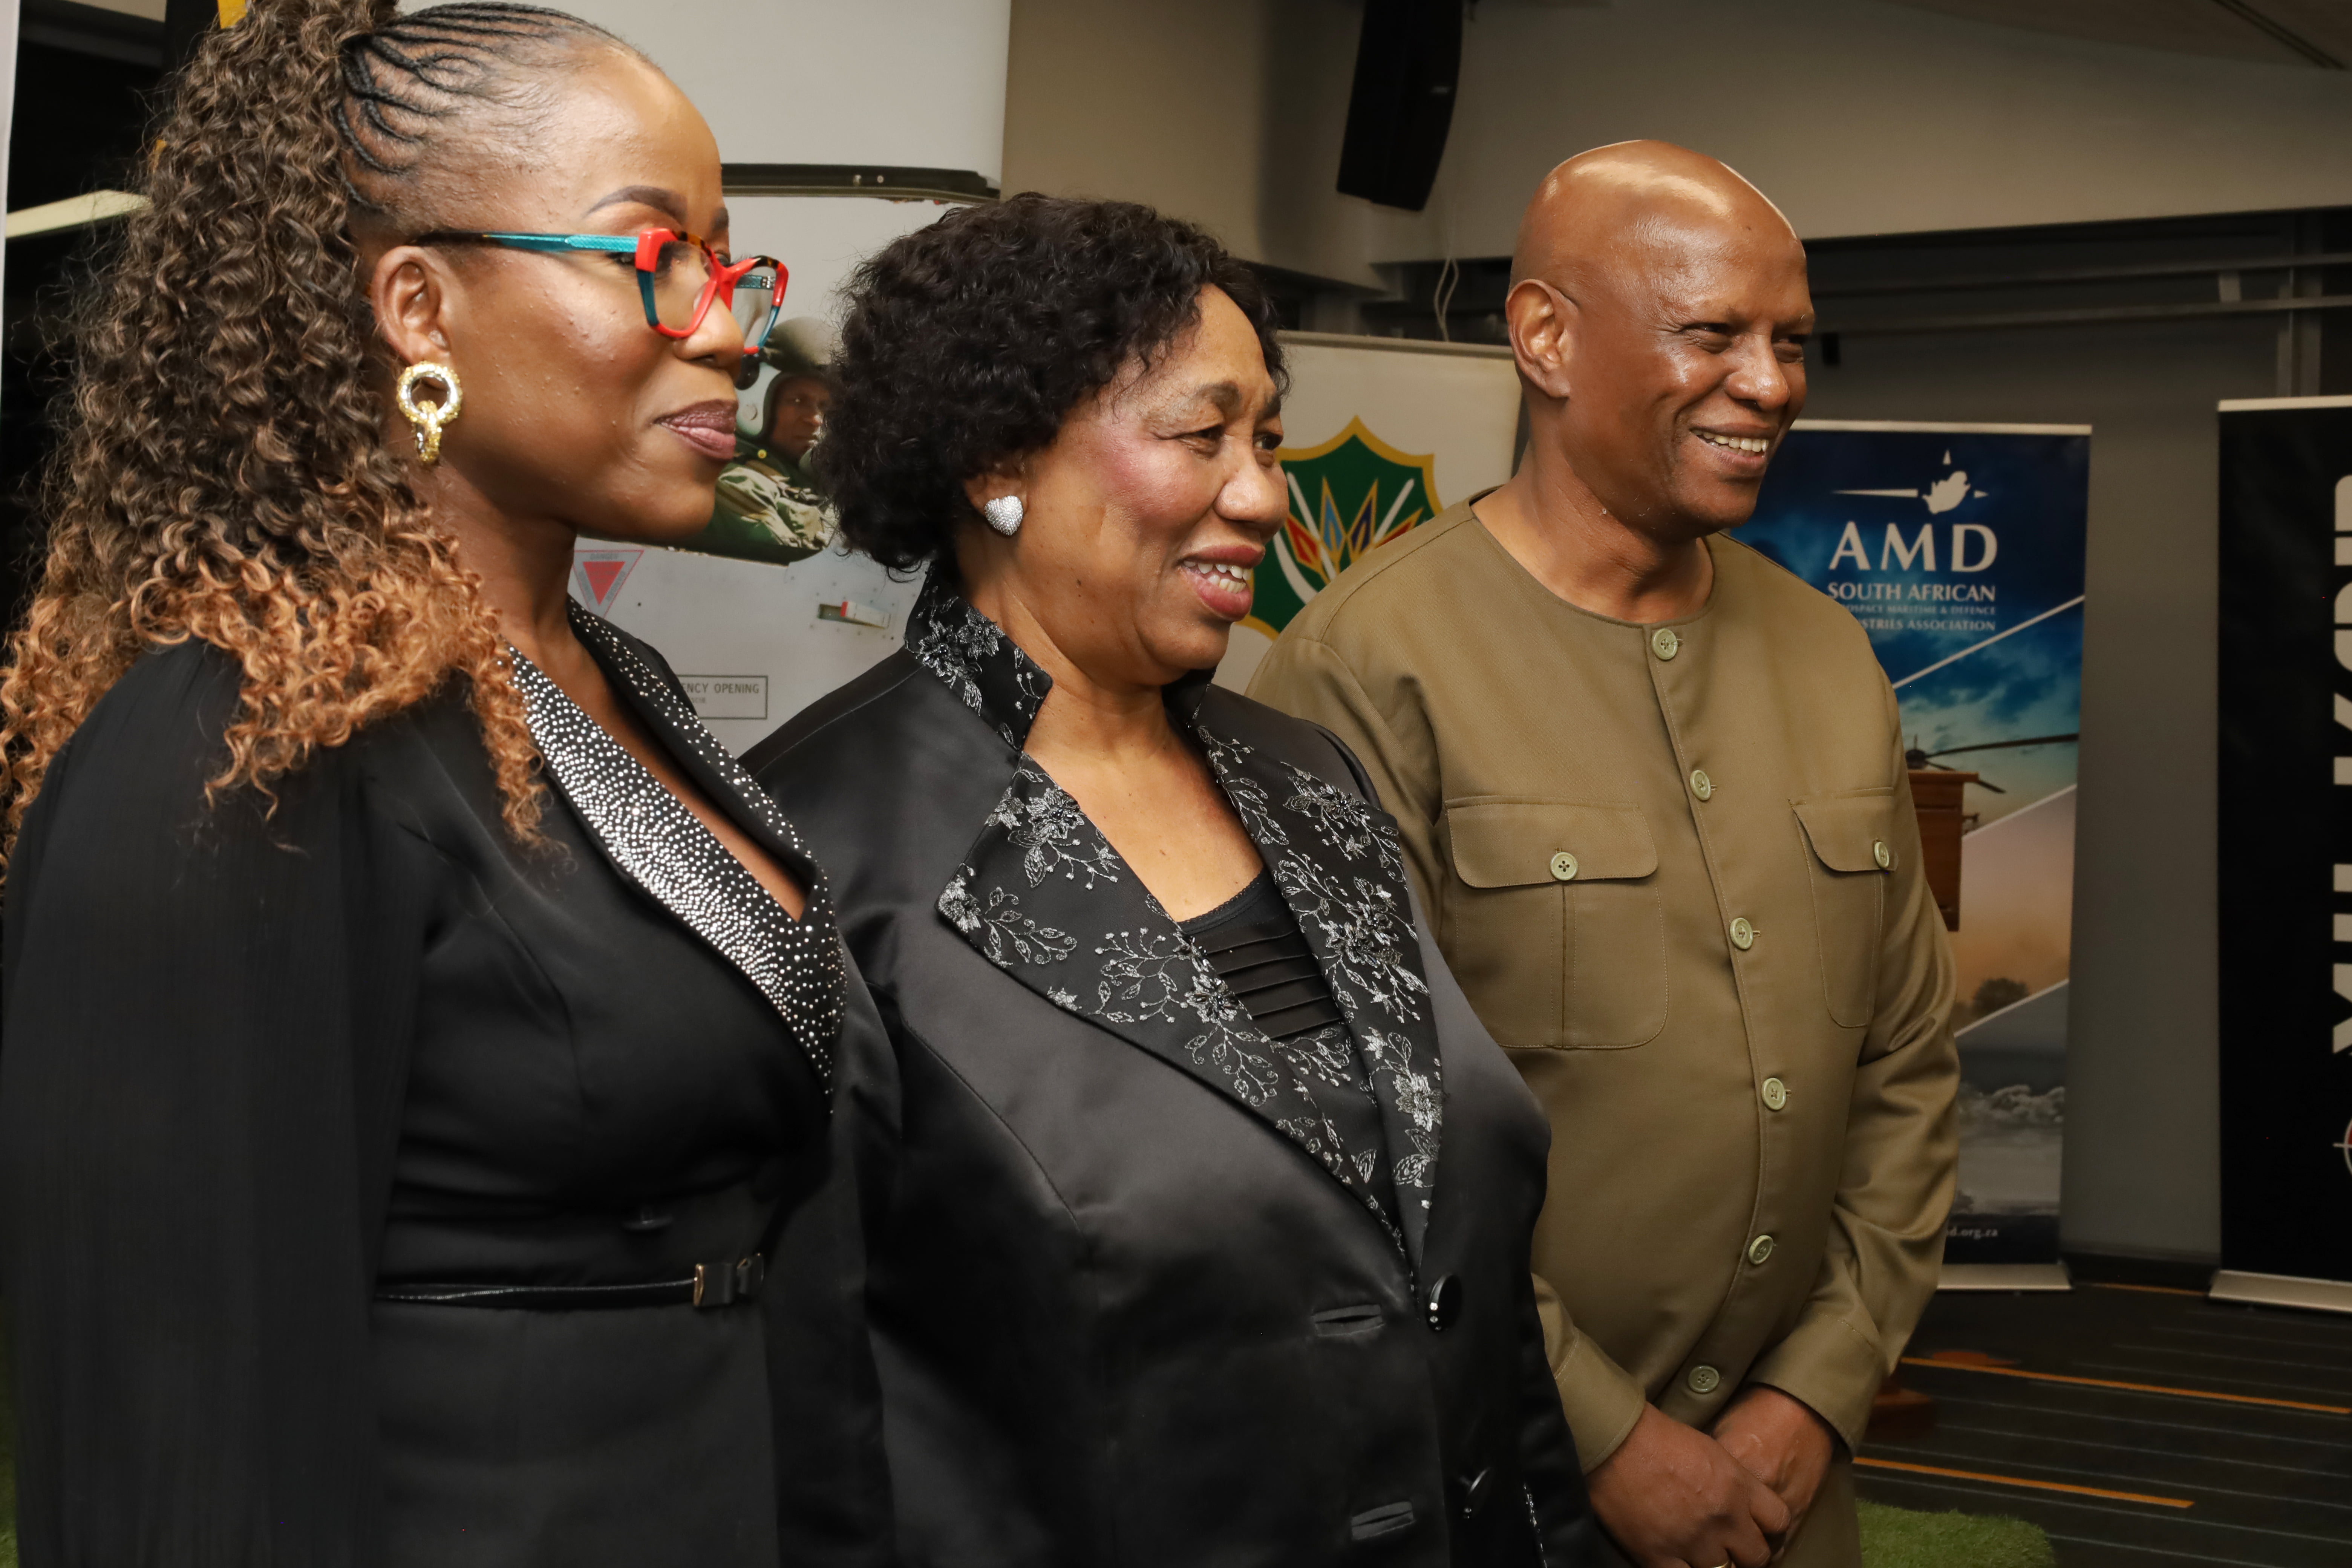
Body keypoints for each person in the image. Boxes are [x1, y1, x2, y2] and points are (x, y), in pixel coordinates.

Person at [0, 3, 884, 1563]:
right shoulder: (247, 739)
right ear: (418, 304)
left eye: (730, 265)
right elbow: (183, 1444)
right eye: (655, 255)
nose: (730, 329)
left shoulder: (611, 678)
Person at [747, 194, 1604, 1566]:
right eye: (1202, 437)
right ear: (994, 457)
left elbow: (1468, 1292)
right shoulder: (809, 848)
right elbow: (800, 1413)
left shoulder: (1309, 780)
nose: (1261, 493)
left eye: (1266, 441)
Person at [1251, 142, 1959, 1568]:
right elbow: (1352, 1132)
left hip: (1786, 1499)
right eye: (1714, 333)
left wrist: (1816, 1393)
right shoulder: (1364, 670)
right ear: (1546, 337)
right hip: (1503, 1484)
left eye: (1790, 343)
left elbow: (1906, 1065)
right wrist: (1603, 1435)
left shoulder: (1830, 657)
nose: (1770, 384)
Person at [698, 319, 839, 564]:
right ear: (759, 402)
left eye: (825, 406)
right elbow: (804, 567)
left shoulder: (817, 484)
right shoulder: (739, 483)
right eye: (798, 401)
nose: (815, 419)